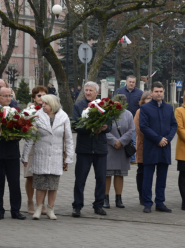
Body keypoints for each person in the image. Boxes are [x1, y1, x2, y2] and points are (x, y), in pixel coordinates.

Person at [22, 95, 74, 220]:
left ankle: (51, 209)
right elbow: (30, 138)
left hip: (56, 155)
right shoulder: (37, 116)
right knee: (40, 183)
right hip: (40, 154)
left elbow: (69, 138)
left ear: (53, 105)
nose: (43, 105)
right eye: (43, 103)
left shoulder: (63, 117)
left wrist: (68, 157)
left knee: (53, 184)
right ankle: (38, 208)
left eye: (46, 103)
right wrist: (25, 157)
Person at [72, 81, 111, 217]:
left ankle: (98, 205)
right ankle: (77, 206)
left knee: (101, 179)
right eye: (86, 90)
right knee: (80, 179)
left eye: (90, 90)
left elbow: (110, 124)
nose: (88, 92)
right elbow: (76, 125)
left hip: (100, 149)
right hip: (84, 149)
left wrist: (105, 127)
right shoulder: (78, 106)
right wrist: (91, 128)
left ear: (97, 92)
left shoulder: (103, 106)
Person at [139, 81, 177, 213]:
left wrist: (167, 139)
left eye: (161, 91)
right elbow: (143, 127)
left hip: (165, 147)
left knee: (162, 177)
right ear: (151, 93)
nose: (159, 94)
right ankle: (147, 203)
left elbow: (174, 125)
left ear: (164, 92)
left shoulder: (169, 108)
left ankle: (160, 202)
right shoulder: (145, 108)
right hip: (151, 147)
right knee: (148, 177)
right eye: (156, 91)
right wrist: (158, 139)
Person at [104, 94, 135, 209]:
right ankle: (105, 198)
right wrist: (114, 141)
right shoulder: (107, 113)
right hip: (109, 148)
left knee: (119, 174)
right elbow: (103, 128)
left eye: (121, 103)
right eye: (116, 102)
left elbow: (131, 130)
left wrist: (121, 141)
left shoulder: (128, 114)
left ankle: (119, 198)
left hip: (122, 148)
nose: (118, 104)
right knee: (107, 174)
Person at [0, 86, 26, 220]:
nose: (8, 98)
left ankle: (16, 210)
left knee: (14, 182)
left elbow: (23, 130)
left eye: (9, 96)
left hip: (12, 152)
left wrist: (16, 135)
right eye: (5, 96)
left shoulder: (17, 111)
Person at [24, 86, 48, 215]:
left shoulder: (50, 110)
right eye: (39, 95)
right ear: (34, 97)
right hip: (32, 145)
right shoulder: (29, 110)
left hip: (45, 146)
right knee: (30, 176)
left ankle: (41, 203)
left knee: (43, 176)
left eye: (44, 95)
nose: (41, 98)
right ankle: (29, 201)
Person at [115, 75, 143, 164]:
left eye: (133, 82)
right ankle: (121, 156)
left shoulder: (139, 93)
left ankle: (132, 158)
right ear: (126, 82)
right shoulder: (119, 91)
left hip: (134, 119)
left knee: (133, 139)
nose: (131, 84)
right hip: (120, 119)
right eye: (130, 82)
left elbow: (141, 105)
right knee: (121, 138)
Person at [133, 91, 152, 205]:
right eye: (147, 98)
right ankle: (142, 195)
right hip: (143, 145)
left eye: (151, 98)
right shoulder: (139, 112)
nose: (149, 100)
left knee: (149, 172)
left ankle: (148, 194)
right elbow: (139, 129)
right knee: (142, 171)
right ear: (143, 100)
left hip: (154, 146)